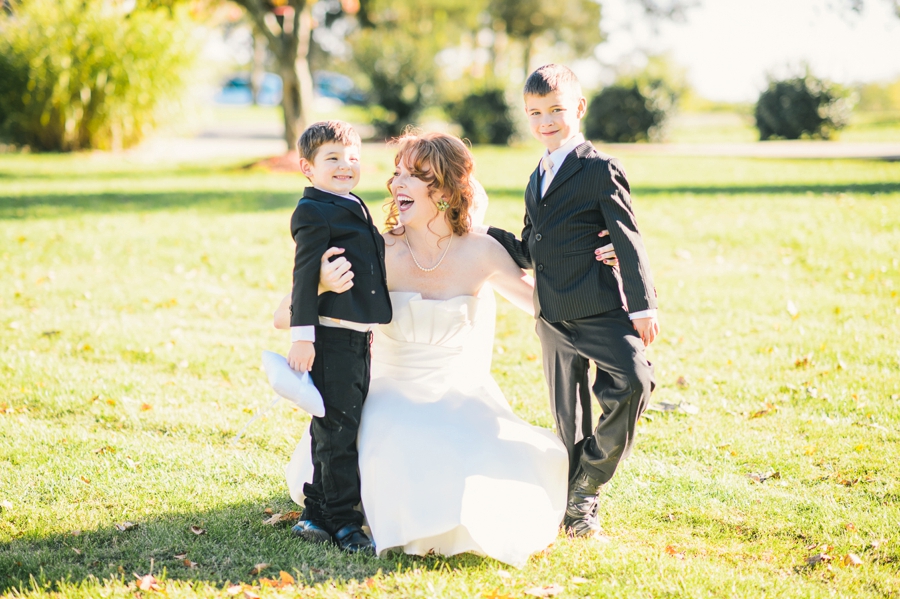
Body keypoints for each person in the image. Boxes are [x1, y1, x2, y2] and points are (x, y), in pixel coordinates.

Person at [277, 132, 578, 567]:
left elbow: (549, 307)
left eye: (415, 176)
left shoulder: (483, 252)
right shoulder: (377, 250)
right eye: (397, 173)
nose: (398, 184)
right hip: (385, 395)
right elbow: (282, 315)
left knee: (480, 464)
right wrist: (320, 283)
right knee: (397, 449)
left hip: (461, 396)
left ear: (445, 190)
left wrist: (595, 264)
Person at [483, 64, 659, 538]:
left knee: (636, 381)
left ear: (578, 108)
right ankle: (574, 507)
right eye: (536, 112)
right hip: (552, 316)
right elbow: (529, 246)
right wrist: (477, 235)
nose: (546, 121)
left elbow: (628, 238)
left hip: (599, 307)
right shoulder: (536, 176)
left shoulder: (599, 169)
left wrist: (643, 306)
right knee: (570, 422)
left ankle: (590, 480)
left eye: (556, 109)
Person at [286, 120, 391, 554]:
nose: (345, 166)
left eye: (352, 158)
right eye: (332, 158)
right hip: (330, 339)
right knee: (339, 430)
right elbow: (304, 276)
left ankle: (316, 511)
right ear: (307, 167)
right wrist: (302, 337)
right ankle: (345, 522)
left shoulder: (352, 202)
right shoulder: (313, 211)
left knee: (331, 428)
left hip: (358, 338)